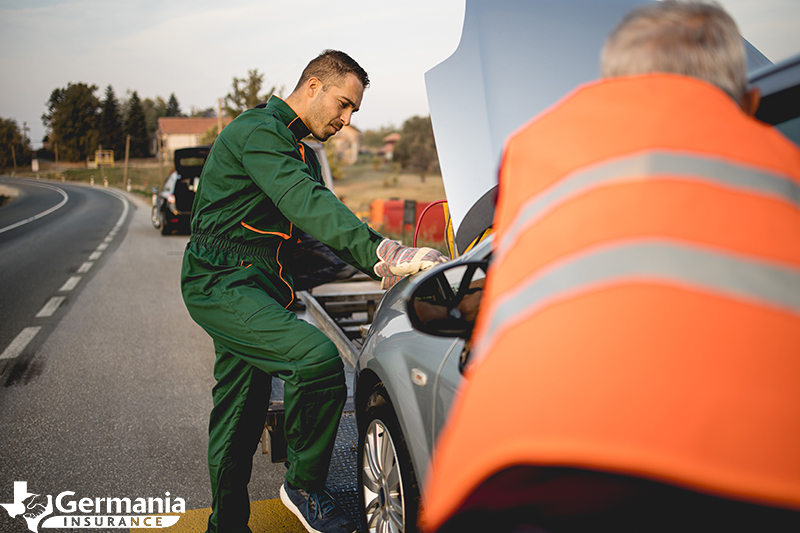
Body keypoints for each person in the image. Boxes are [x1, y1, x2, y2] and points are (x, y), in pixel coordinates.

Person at [421, 2, 800, 532]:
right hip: (765, 483)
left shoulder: (532, 147)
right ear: (752, 99)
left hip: (520, 482)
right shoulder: (787, 164)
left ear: (611, 82)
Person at [180, 49, 447, 533]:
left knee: (239, 416)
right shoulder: (259, 132)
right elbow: (306, 202)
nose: (346, 119)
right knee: (316, 360)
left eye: (354, 112)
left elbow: (309, 231)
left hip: (260, 285)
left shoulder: (298, 149)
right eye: (343, 104)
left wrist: (379, 269)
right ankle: (303, 485)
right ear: (312, 88)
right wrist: (381, 250)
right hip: (222, 281)